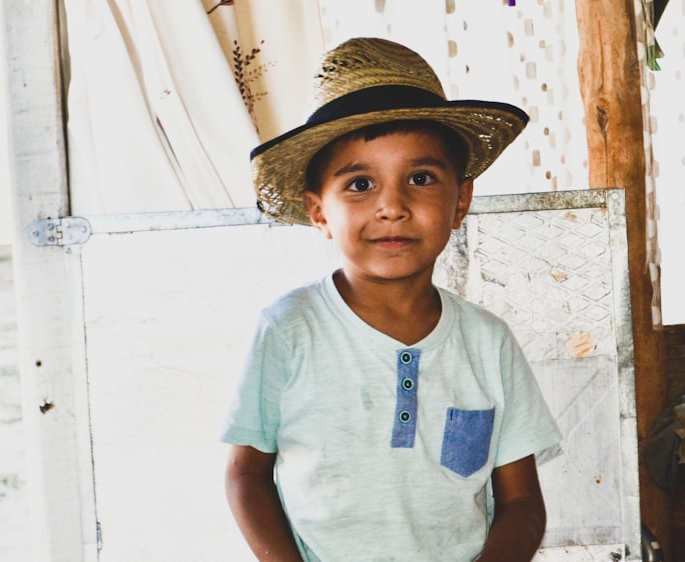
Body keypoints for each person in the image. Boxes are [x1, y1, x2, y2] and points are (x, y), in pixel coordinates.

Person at [221, 37, 561, 562]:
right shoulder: (289, 329)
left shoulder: (487, 342)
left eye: (420, 179)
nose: (393, 207)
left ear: (460, 200)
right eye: (359, 184)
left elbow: (521, 505)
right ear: (318, 212)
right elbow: (246, 475)